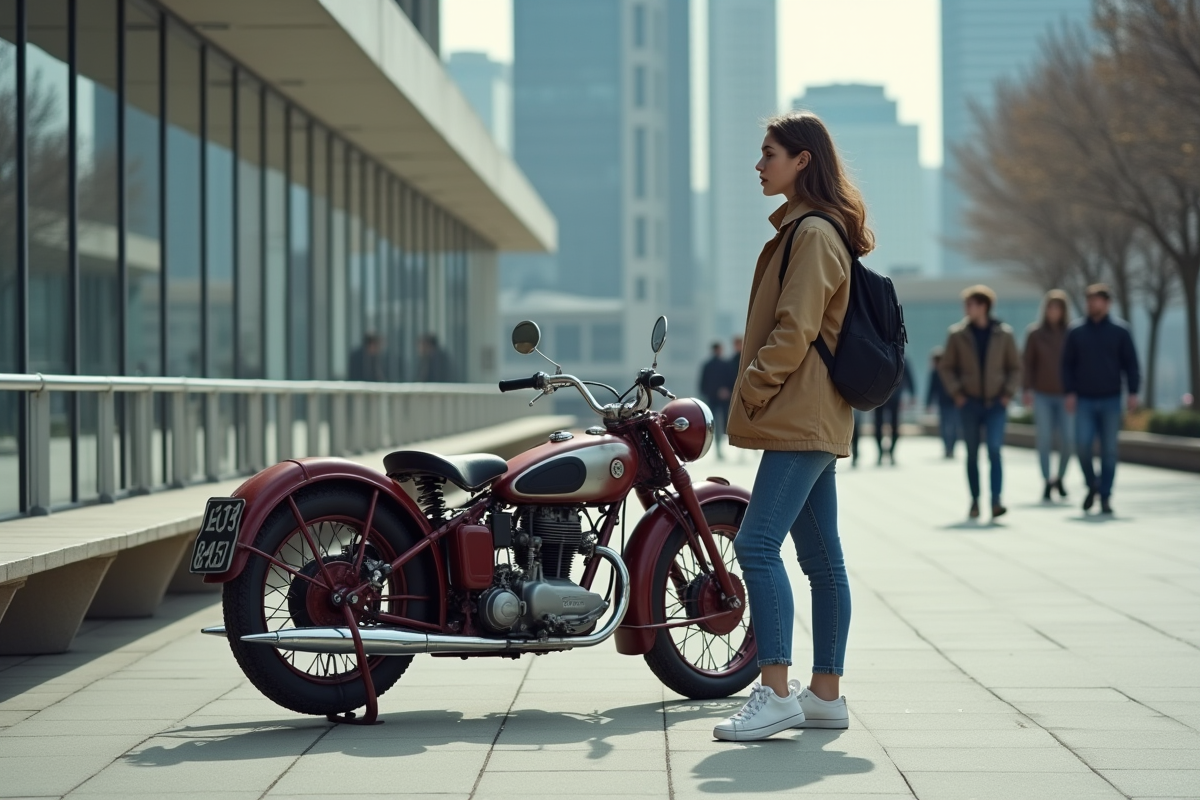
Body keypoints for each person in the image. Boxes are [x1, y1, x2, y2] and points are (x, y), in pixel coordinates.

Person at [716, 111, 865, 741]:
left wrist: (748, 386)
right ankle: (824, 693)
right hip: (813, 412)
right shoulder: (812, 231)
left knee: (755, 545)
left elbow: (796, 328)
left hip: (801, 414)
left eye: (769, 153)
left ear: (803, 159)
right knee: (821, 558)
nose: (759, 164)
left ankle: (775, 691)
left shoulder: (811, 234)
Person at [937, 285, 1020, 521]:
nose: (967, 309)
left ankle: (995, 501)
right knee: (972, 454)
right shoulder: (957, 334)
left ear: (983, 306)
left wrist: (1007, 394)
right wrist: (958, 394)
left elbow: (1015, 367)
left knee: (995, 450)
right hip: (969, 403)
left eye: (970, 304)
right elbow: (946, 367)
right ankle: (974, 501)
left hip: (996, 403)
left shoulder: (1004, 334)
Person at [1062, 284, 1140, 515]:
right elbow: (1066, 365)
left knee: (1109, 450)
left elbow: (1131, 364)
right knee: (1082, 445)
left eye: (1097, 300)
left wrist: (1133, 392)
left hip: (1111, 398)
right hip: (1084, 399)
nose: (1092, 304)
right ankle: (1092, 484)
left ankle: (1105, 496)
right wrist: (1069, 391)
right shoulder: (1076, 331)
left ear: (1107, 303)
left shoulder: (1120, 331)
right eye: (1089, 300)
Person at [1023, 290, 1073, 502]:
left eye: (1058, 308)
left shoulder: (1072, 333)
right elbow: (1027, 364)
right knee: (1044, 439)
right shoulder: (1035, 334)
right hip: (1042, 394)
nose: (1053, 312)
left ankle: (1060, 478)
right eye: (1050, 307)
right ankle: (1046, 481)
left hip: (1066, 395)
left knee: (1069, 440)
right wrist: (1026, 389)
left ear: (1063, 311)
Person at [873, 358, 914, 465]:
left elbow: (908, 376)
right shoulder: (900, 356)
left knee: (891, 425)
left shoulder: (901, 357)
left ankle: (889, 452)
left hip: (888, 395)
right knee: (880, 425)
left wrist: (912, 393)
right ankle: (883, 452)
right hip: (881, 395)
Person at [699, 342, 731, 459]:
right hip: (714, 399)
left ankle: (719, 447)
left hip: (717, 399)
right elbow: (703, 383)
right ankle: (718, 448)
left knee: (720, 423)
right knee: (715, 423)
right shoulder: (716, 365)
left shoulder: (714, 365)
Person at [926, 347, 958, 458]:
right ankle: (948, 447)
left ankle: (951, 447)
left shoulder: (952, 370)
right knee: (946, 426)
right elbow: (931, 389)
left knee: (953, 426)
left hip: (954, 402)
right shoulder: (935, 373)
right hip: (944, 403)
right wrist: (928, 403)